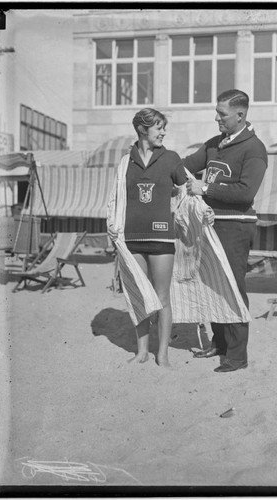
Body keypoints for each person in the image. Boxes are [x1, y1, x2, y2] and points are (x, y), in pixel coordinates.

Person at [185, 89, 268, 373]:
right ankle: (219, 344)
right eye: (217, 111)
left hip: (236, 227)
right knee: (211, 285)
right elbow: (184, 168)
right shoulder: (213, 145)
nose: (216, 117)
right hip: (209, 225)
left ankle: (236, 356)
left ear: (240, 115)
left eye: (222, 113)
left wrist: (205, 187)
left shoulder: (254, 148)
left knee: (231, 288)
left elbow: (246, 193)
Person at [107, 108, 188, 368]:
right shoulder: (125, 161)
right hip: (131, 238)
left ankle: (162, 353)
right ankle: (142, 351)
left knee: (162, 296)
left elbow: (187, 190)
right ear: (143, 129)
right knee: (138, 297)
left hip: (163, 237)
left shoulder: (172, 158)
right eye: (158, 128)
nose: (163, 132)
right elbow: (116, 199)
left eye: (164, 127)